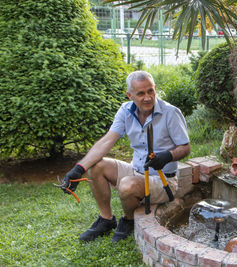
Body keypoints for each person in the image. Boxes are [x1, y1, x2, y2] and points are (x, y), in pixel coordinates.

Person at [61, 70, 190, 242]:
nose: (147, 97)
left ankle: (128, 219)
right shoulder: (126, 110)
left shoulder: (170, 113)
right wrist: (79, 168)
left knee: (127, 186)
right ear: (129, 95)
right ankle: (106, 220)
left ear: (155, 89)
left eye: (150, 91)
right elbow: (107, 141)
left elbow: (185, 147)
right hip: (136, 171)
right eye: (141, 93)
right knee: (96, 166)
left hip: (163, 180)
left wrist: (167, 156)